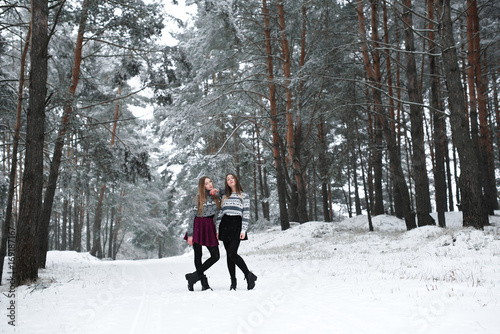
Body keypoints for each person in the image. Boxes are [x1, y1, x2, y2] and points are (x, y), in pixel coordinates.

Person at [216, 173, 257, 290]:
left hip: (237, 225)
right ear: (226, 183)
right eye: (228, 179)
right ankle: (233, 283)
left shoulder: (244, 196)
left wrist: (244, 229)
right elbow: (220, 214)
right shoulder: (224, 197)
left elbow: (246, 214)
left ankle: (248, 275)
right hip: (225, 225)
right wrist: (217, 229)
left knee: (232, 253)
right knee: (229, 256)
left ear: (236, 180)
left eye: (232, 178)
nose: (230, 180)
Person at [184, 176, 220, 291]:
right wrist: (190, 234)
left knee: (215, 256)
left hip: (209, 227)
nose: (210, 184)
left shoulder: (216, 197)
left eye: (210, 181)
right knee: (198, 255)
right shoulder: (197, 198)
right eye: (206, 183)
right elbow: (191, 216)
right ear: (202, 186)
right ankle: (204, 283)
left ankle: (193, 277)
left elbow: (219, 215)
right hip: (197, 226)